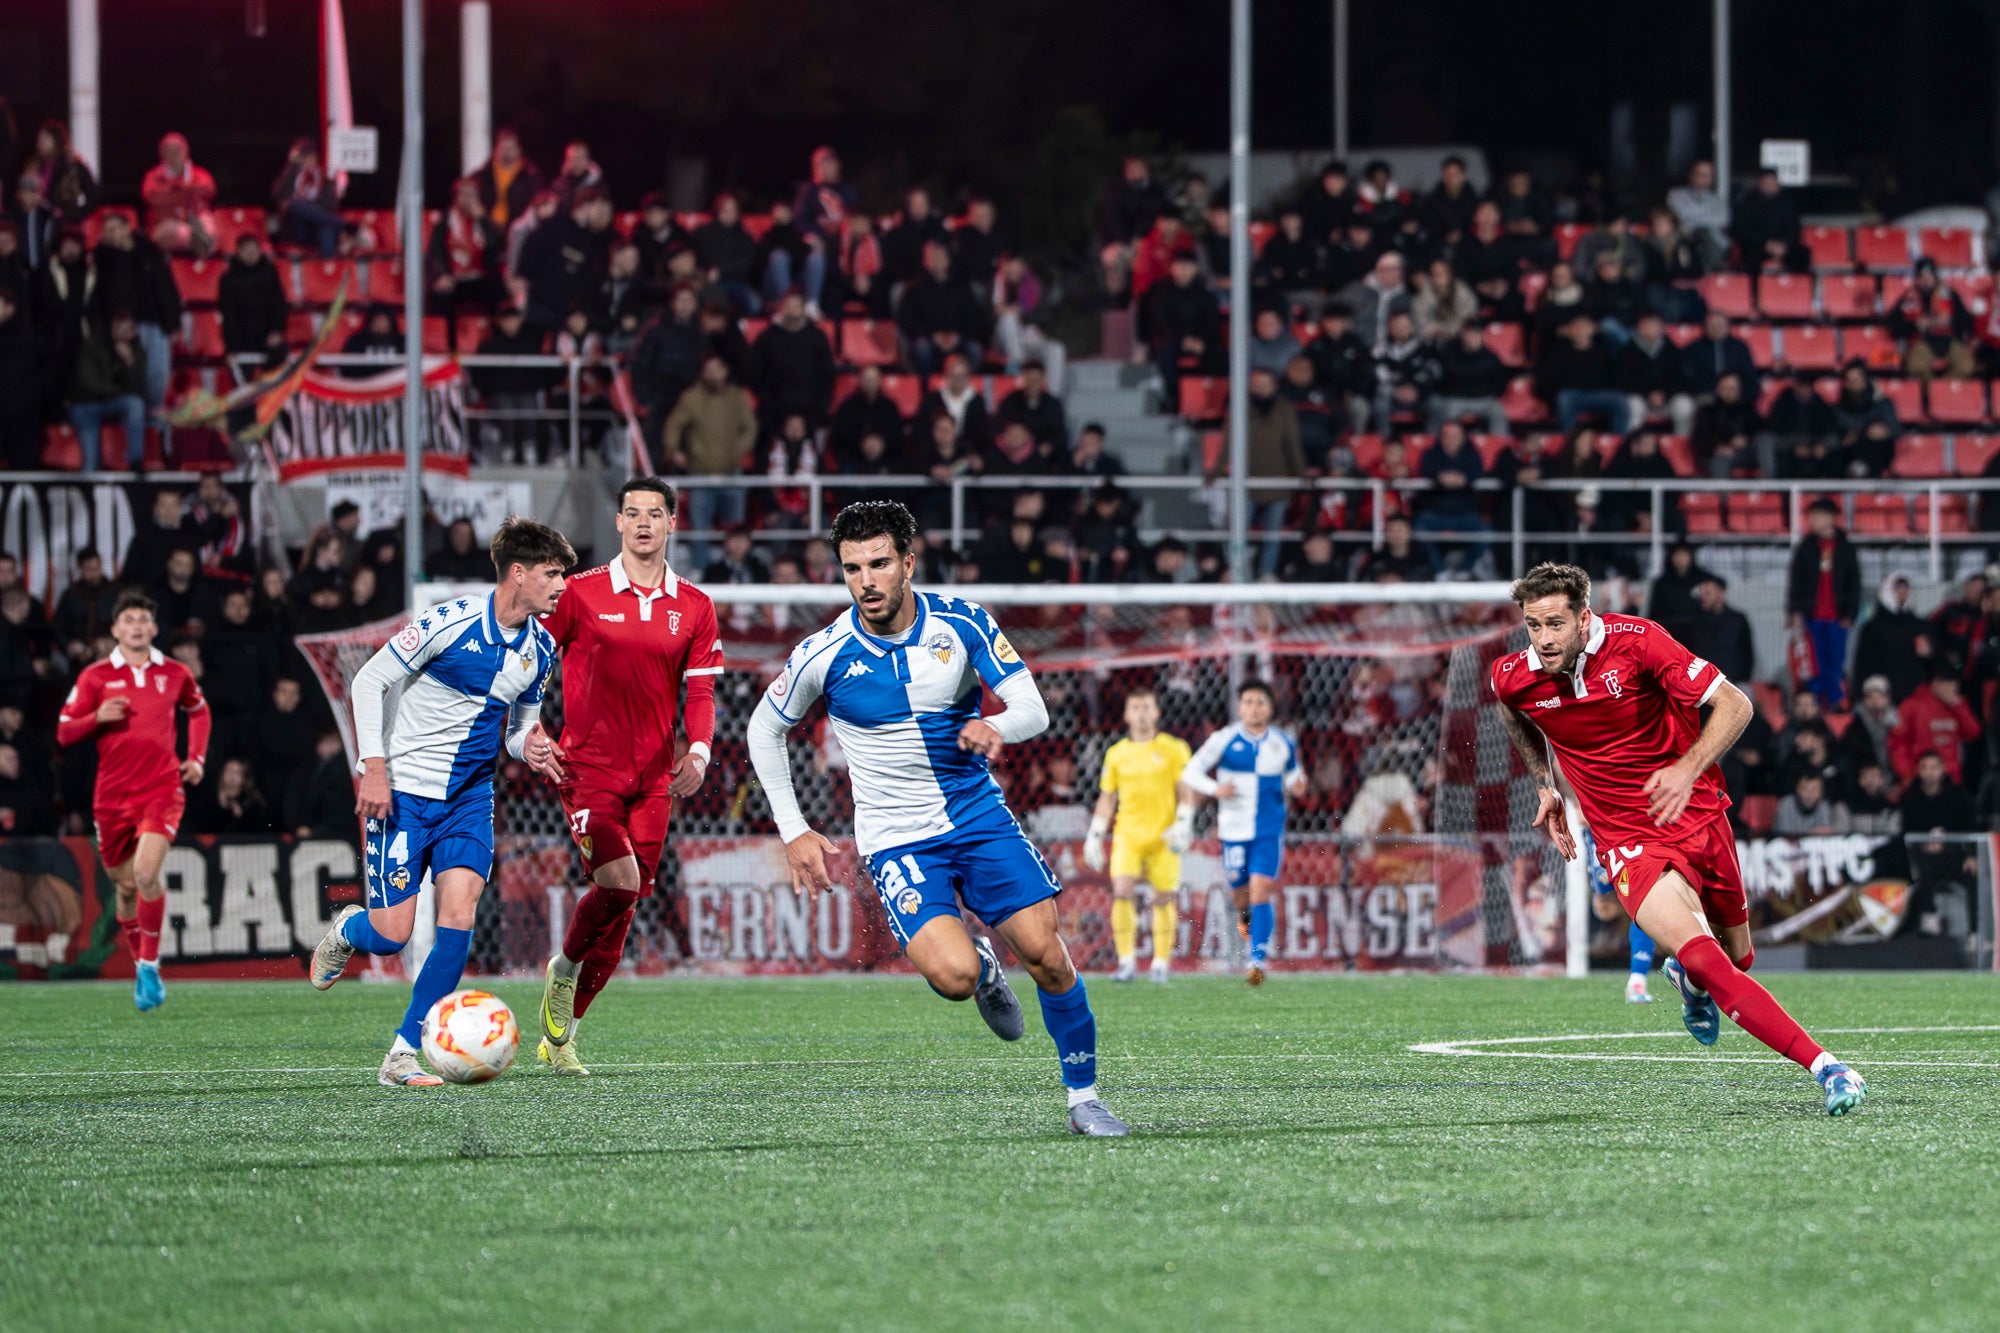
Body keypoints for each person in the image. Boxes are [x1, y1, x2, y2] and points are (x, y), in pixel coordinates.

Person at [746, 500, 1128, 1136]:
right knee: (954, 978)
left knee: (1048, 956)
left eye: (879, 564)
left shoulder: (962, 622)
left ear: (907, 563)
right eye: (852, 569)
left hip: (976, 816)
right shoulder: (824, 652)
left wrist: (994, 725)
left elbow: (1033, 709)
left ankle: (1083, 1097)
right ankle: (982, 966)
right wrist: (794, 830)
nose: (866, 581)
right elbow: (764, 729)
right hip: (897, 840)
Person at [1492, 562, 1866, 1115]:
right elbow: (1513, 711)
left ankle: (1686, 981)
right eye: (1533, 625)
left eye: (1555, 624)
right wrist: (1545, 784)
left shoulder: (1639, 643)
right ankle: (1829, 1068)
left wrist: (1687, 769)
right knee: (1709, 959)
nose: (1543, 639)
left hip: (1699, 815)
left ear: (1583, 618)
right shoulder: (1513, 675)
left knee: (1738, 959)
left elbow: (1736, 704)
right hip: (1627, 841)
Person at [307, 518, 569, 1087]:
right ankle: (349, 930)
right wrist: (374, 768)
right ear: (518, 573)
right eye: (552, 574)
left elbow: (518, 730)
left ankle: (402, 1053)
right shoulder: (449, 622)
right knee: (392, 934)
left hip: (470, 799)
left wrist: (532, 746)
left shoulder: (542, 649)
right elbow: (368, 681)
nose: (561, 586)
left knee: (459, 916)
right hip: (402, 792)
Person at [521, 480, 721, 1074]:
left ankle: (563, 1037)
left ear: (672, 523)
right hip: (588, 770)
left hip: (655, 777)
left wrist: (700, 752)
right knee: (620, 883)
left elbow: (701, 693)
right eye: (632, 513)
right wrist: (529, 728)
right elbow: (530, 662)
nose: (643, 523)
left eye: (654, 513)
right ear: (618, 523)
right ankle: (563, 967)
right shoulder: (579, 594)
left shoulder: (695, 605)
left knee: (625, 903)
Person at [54, 593, 211, 1012]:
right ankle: (142, 962)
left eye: (144, 619)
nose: (137, 626)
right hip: (112, 798)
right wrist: (96, 718)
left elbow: (199, 711)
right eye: (129, 619)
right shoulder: (95, 676)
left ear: (154, 628)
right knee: (124, 887)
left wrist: (195, 758)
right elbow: (64, 732)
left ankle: (149, 965)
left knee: (144, 874)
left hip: (161, 790)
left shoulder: (174, 672)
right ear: (115, 629)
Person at [1173, 679, 1306, 985]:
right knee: (1240, 895)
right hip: (1233, 831)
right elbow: (1191, 772)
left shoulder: (1283, 742)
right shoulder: (1224, 739)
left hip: (1267, 830)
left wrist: (1297, 785)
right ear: (1239, 708)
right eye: (1248, 702)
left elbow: (1293, 776)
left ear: (1270, 708)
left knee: (1261, 888)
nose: (1254, 708)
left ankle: (1257, 958)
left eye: (1260, 702)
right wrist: (1215, 789)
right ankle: (1246, 920)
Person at [1084, 689, 1192, 984]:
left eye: (1146, 707)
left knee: (1163, 896)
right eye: (1136, 707)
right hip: (1128, 834)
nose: (1142, 713)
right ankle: (1126, 962)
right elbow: (1107, 797)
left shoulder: (1174, 748)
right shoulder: (1116, 753)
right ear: (1127, 715)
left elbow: (1186, 792)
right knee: (1121, 890)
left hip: (1164, 836)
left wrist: (1184, 822)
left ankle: (1160, 963)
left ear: (1156, 713)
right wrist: (1095, 834)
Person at [1785, 499, 1862, 710]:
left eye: (1817, 516)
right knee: (1812, 665)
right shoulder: (1805, 548)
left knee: (1834, 664)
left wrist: (1850, 613)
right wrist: (1794, 611)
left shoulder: (1846, 548)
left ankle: (1835, 706)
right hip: (1810, 617)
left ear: (1830, 518)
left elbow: (1854, 582)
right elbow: (1796, 582)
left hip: (1837, 618)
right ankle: (1814, 706)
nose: (1812, 521)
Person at [68, 309, 149, 472]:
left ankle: (135, 461)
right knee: (91, 463)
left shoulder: (135, 350)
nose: (130, 331)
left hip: (113, 401)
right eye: (126, 326)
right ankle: (90, 476)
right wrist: (119, 390)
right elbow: (88, 383)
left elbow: (137, 388)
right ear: (114, 324)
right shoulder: (92, 344)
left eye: (132, 328)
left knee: (135, 404)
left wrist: (129, 361)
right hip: (86, 405)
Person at [1889, 666, 1981, 785]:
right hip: (1919, 777)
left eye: (1954, 684)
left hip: (1951, 777)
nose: (1951, 689)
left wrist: (1958, 706)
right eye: (1947, 684)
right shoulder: (1910, 706)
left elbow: (1972, 733)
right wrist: (1906, 774)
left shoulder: (1958, 704)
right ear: (1935, 683)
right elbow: (1897, 743)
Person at [217, 232, 288, 365]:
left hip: (267, 334)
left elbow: (278, 304)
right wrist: (231, 346)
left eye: (254, 250)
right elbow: (229, 314)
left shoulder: (270, 274)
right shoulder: (229, 279)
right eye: (247, 251)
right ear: (239, 252)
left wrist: (277, 330)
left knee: (280, 355)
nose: (251, 254)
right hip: (242, 337)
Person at [140, 132, 218, 256]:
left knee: (209, 226)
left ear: (185, 151)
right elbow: (151, 197)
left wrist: (176, 191)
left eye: (177, 151)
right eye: (169, 152)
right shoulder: (153, 176)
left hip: (196, 219)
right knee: (174, 231)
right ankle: (199, 242)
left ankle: (201, 243)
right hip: (166, 223)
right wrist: (184, 192)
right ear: (162, 154)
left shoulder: (200, 174)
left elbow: (209, 190)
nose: (174, 155)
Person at [271, 138, 345, 258]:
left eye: (310, 155)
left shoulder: (323, 179)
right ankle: (344, 225)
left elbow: (330, 206)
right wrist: (293, 167)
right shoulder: (291, 175)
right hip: (296, 230)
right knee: (296, 205)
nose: (308, 160)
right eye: (304, 156)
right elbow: (279, 196)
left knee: (325, 229)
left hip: (316, 230)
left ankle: (328, 266)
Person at [470, 128, 542, 231]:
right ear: (496, 148)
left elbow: (535, 207)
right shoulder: (482, 175)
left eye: (511, 148)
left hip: (517, 231)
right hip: (484, 230)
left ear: (519, 149)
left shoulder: (530, 177)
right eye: (503, 148)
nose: (507, 152)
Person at [1667, 160, 1731, 272]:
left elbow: (1723, 220)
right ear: (1691, 175)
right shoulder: (1676, 195)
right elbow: (1679, 215)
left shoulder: (1717, 200)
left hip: (1711, 240)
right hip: (1684, 236)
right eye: (1699, 174)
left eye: (1707, 175)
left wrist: (1693, 216)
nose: (1702, 178)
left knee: (1707, 236)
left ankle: (1706, 273)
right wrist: (1707, 216)